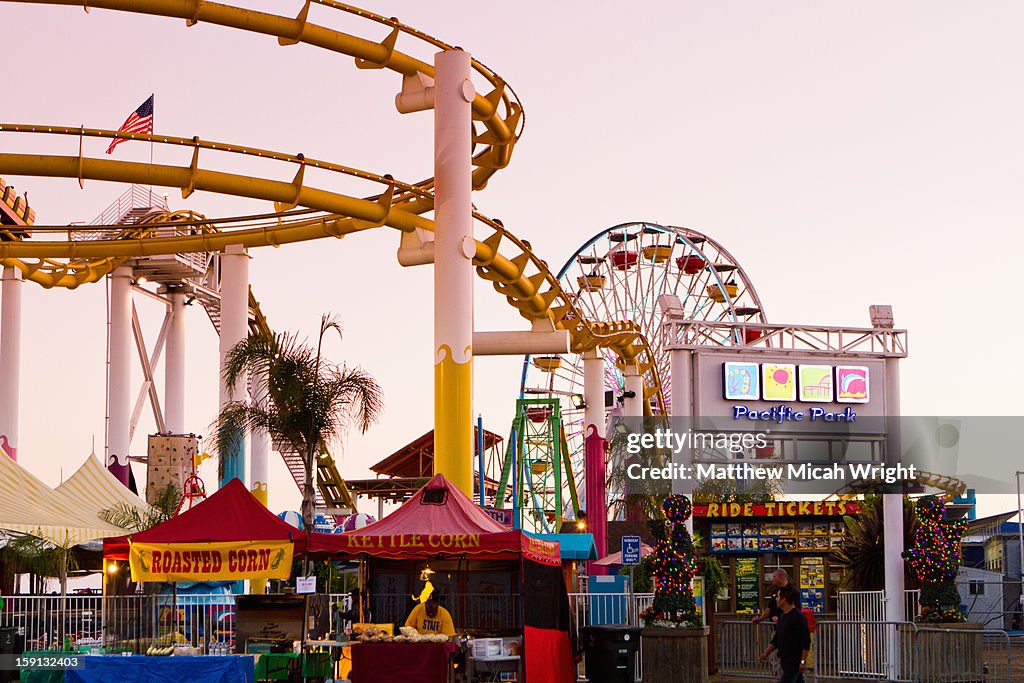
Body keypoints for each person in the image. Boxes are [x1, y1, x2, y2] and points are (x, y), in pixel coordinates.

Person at [758, 586, 811, 683]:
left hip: (794, 662)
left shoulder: (798, 617)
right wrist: (765, 653)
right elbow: (776, 639)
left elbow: (806, 641)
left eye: (778, 597)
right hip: (785, 660)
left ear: (784, 599)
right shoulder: (782, 617)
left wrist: (803, 661)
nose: (776, 599)